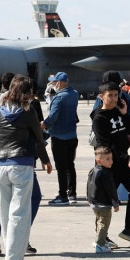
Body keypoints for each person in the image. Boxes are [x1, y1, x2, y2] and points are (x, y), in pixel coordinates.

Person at [0, 75, 46, 260]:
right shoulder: (29, 111)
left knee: (5, 211)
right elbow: (39, 137)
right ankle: (14, 256)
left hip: (0, 164)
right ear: (26, 92)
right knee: (20, 211)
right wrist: (43, 156)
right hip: (22, 163)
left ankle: (11, 251)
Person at [92, 81, 130, 245]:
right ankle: (101, 237)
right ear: (102, 97)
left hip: (122, 162)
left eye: (116, 95)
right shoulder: (99, 118)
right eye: (111, 95)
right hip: (109, 165)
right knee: (105, 201)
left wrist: (124, 113)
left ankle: (129, 229)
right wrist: (127, 159)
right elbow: (107, 146)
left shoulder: (117, 111)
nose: (114, 98)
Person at [41, 72, 80, 206]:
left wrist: (43, 125)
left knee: (61, 168)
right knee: (70, 165)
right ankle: (72, 193)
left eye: (53, 82)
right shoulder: (74, 94)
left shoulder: (59, 98)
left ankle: (62, 195)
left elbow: (53, 117)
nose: (52, 85)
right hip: (72, 136)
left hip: (59, 137)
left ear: (59, 83)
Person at [87, 146, 120, 254]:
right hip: (103, 203)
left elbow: (89, 185)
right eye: (107, 159)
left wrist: (89, 199)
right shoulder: (106, 173)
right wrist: (115, 202)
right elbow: (111, 189)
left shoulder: (93, 170)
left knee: (99, 222)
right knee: (104, 223)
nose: (111, 161)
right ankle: (100, 244)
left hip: (94, 203)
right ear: (99, 161)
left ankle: (100, 241)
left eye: (111, 158)